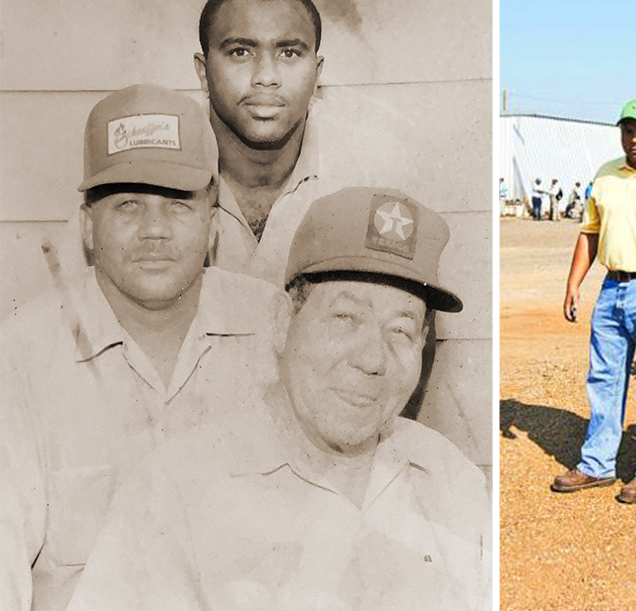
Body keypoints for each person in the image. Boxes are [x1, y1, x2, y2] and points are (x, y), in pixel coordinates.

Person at [67, 187, 490, 611]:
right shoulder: (172, 494)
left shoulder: (452, 482)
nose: (372, 359)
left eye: (400, 329)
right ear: (283, 323)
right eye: (346, 317)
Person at [0, 85, 289, 611]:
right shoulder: (19, 356)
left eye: (178, 204)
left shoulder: (275, 331)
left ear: (212, 225)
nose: (154, 230)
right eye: (128, 204)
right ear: (88, 226)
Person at [54, 0, 367, 289]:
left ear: (316, 74)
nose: (266, 76)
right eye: (240, 52)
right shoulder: (138, 174)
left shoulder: (358, 189)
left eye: (289, 52)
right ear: (203, 72)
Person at [551, 98, 636, 503]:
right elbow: (590, 232)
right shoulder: (606, 174)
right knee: (604, 378)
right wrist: (574, 283)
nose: (634, 138)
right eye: (628, 130)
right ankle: (597, 464)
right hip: (611, 289)